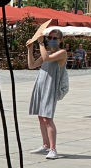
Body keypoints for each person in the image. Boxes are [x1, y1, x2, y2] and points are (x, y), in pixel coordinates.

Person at [27, 27, 68, 160]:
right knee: (41, 117)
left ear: (60, 40)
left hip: (50, 88)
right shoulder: (47, 52)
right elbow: (31, 65)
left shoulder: (62, 53)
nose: (51, 40)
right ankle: (45, 145)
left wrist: (40, 43)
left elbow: (46, 58)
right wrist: (30, 48)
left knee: (47, 118)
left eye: (54, 38)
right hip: (40, 86)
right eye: (49, 38)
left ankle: (53, 149)